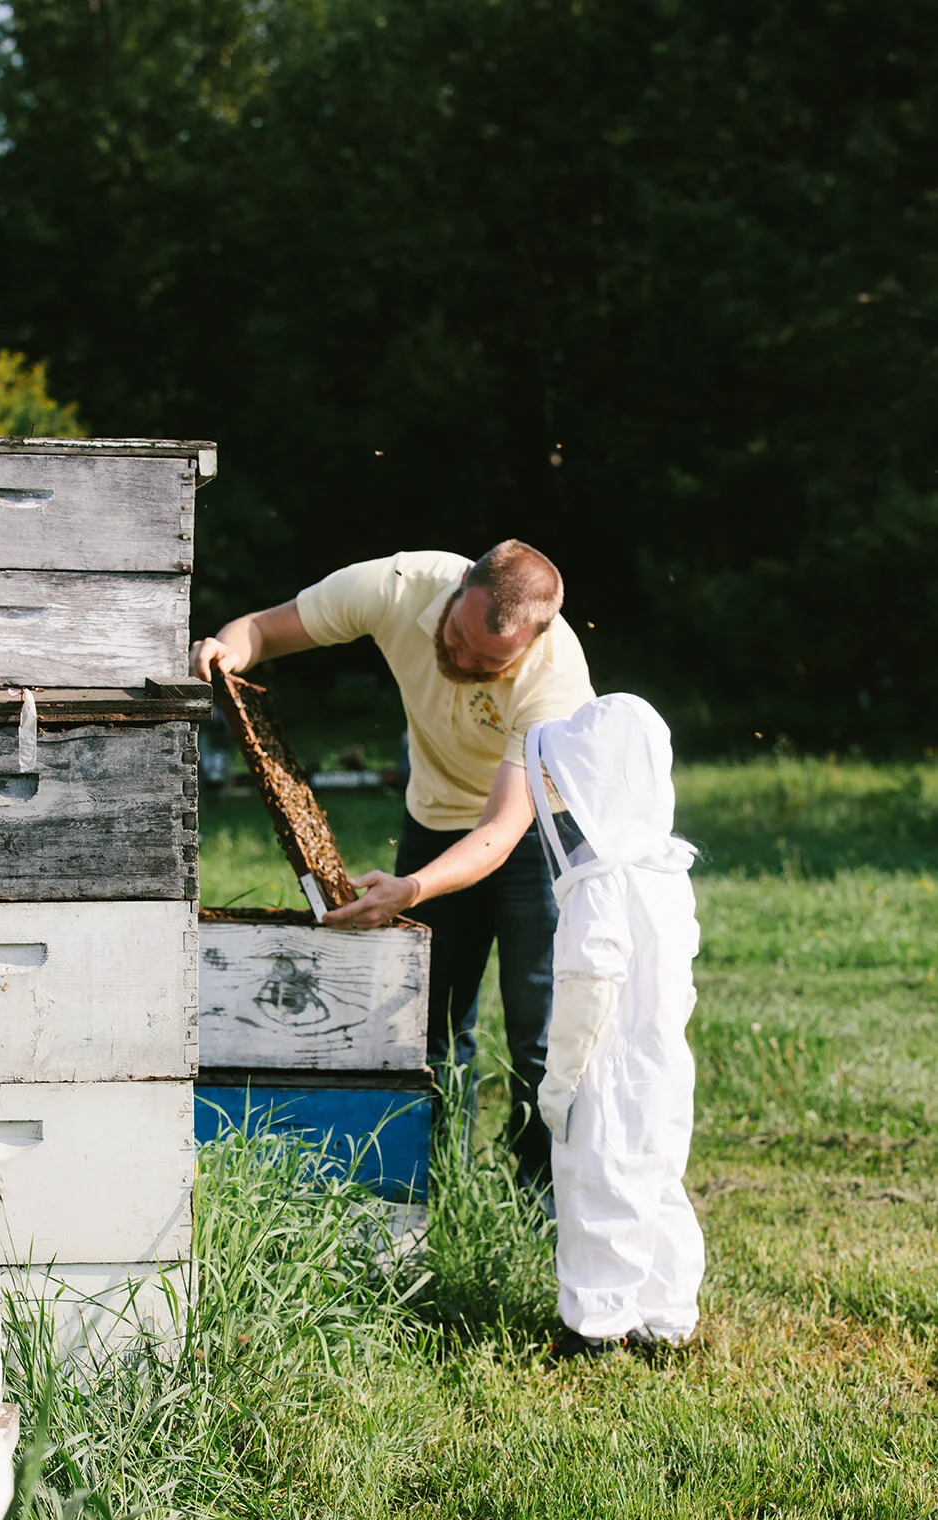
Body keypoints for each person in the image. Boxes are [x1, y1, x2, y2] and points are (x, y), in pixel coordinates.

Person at [190, 542, 594, 1194]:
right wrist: (228, 653)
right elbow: (260, 628)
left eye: (487, 660)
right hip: (433, 817)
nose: (460, 658)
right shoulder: (399, 586)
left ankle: (538, 1204)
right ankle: (427, 1190)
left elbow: (499, 829)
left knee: (538, 1037)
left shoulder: (557, 686)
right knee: (427, 1028)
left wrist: (409, 888)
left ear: (533, 641)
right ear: (460, 588)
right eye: (457, 635)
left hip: (536, 830)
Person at [325, 693, 704, 1357]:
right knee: (656, 1180)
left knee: (596, 1189)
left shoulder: (600, 885)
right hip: (664, 1062)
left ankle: (596, 1330)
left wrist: (559, 1081)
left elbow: (588, 991)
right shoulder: (666, 869)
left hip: (606, 1068)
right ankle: (665, 1320)